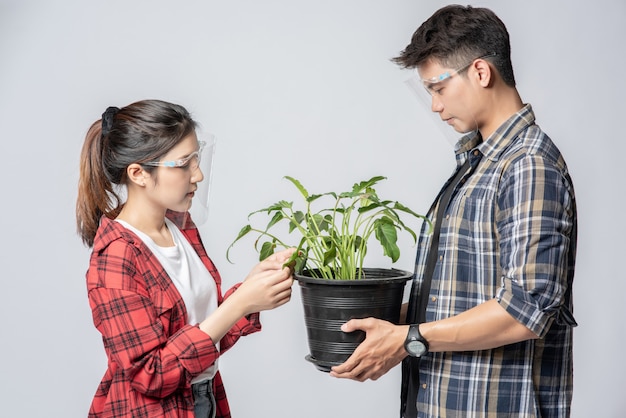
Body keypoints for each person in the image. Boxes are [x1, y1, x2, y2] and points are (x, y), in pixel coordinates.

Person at [329, 5, 577, 418]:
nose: (434, 106)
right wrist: (388, 323)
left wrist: (407, 339)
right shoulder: (479, 164)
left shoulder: (529, 165)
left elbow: (523, 313)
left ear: (480, 72)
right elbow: (460, 295)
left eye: (438, 88)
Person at [76, 99, 295, 418]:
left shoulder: (180, 224)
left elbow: (201, 332)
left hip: (204, 400)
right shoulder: (116, 256)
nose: (199, 175)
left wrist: (252, 290)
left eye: (198, 158)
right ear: (138, 173)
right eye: (184, 163)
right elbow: (151, 374)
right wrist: (240, 304)